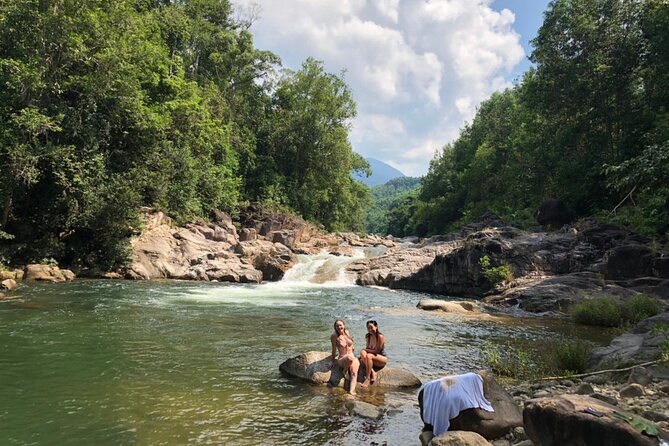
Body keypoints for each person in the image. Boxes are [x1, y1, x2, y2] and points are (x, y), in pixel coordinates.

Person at [330, 319, 360, 395]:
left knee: (354, 373)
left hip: (352, 356)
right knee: (349, 358)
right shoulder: (334, 336)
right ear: (335, 327)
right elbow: (333, 350)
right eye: (337, 326)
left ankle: (351, 391)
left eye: (340, 325)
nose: (339, 327)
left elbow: (352, 345)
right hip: (342, 358)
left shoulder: (347, 332)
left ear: (344, 325)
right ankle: (345, 371)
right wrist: (333, 361)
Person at [359, 320, 388, 388]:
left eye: (371, 327)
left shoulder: (380, 336)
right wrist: (362, 353)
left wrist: (365, 350)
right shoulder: (368, 336)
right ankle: (372, 372)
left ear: (376, 326)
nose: (370, 330)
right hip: (371, 359)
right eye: (368, 328)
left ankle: (367, 378)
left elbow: (377, 351)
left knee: (367, 355)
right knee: (362, 352)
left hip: (381, 359)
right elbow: (367, 350)